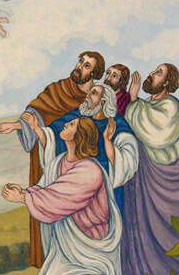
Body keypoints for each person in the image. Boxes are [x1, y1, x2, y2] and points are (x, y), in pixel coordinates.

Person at [0, 116, 129, 275]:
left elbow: (59, 199)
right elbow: (48, 189)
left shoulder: (90, 170)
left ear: (80, 136)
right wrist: (25, 192)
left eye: (72, 125)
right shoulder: (59, 162)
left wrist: (23, 198)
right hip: (66, 250)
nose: (66, 125)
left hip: (88, 249)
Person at [0, 51, 105, 267]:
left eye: (87, 66)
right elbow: (38, 114)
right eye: (80, 62)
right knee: (50, 200)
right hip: (51, 156)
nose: (80, 67)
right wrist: (17, 126)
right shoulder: (59, 89)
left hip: (83, 164)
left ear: (95, 73)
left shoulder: (96, 99)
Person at [121, 64, 179, 275]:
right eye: (154, 71)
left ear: (167, 82)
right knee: (140, 226)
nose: (151, 75)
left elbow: (156, 137)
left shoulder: (170, 106)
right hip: (144, 181)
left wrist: (134, 100)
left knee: (162, 232)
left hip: (162, 183)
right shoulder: (152, 105)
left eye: (158, 73)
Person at [17, 83, 139, 217]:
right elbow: (53, 137)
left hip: (104, 190)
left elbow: (125, 161)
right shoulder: (78, 117)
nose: (88, 96)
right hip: (76, 186)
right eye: (90, 92)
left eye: (93, 93)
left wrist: (107, 141)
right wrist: (36, 128)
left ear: (103, 101)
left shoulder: (117, 125)